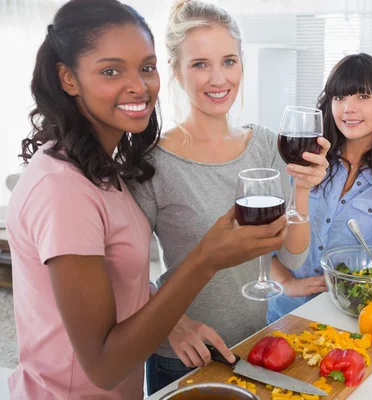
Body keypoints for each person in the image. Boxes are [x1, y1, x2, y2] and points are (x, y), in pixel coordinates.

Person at [6, 1, 287, 398]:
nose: (138, 85)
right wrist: (205, 259)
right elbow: (103, 366)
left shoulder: (102, 170)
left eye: (146, 67)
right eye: (111, 71)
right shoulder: (61, 189)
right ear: (68, 78)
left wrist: (176, 318)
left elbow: (122, 281)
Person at [128, 0, 330, 394]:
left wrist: (302, 190)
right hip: (184, 353)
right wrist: (174, 323)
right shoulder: (151, 163)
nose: (218, 78)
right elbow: (124, 274)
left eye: (229, 61)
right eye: (200, 64)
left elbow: (290, 256)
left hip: (255, 342)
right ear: (175, 71)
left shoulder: (267, 145)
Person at [268, 53, 372, 324]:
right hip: (285, 312)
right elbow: (265, 242)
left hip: (345, 314)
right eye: (339, 97)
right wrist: (287, 282)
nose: (348, 107)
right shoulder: (305, 158)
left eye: (363, 97)